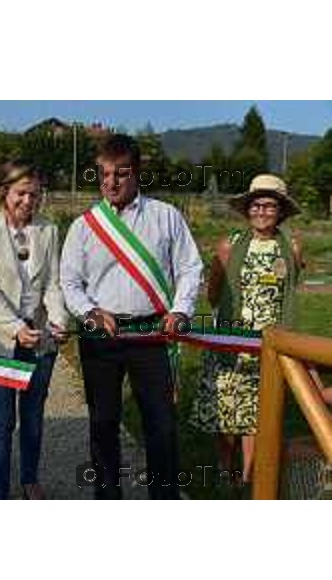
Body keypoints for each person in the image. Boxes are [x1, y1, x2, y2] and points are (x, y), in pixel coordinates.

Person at [60, 134, 203, 500]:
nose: (111, 182)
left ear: (137, 172)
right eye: (104, 174)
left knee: (161, 426)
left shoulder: (165, 216)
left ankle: (164, 498)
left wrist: (181, 309)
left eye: (121, 173)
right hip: (101, 336)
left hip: (152, 333)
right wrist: (89, 311)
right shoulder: (84, 226)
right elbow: (69, 281)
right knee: (104, 424)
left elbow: (190, 267)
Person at [190, 174, 303, 486]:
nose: (262, 211)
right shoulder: (230, 246)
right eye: (257, 205)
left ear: (280, 211)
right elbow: (213, 292)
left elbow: (291, 289)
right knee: (226, 411)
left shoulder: (291, 248)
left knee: (256, 414)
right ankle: (227, 471)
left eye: (270, 205)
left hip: (270, 344)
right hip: (230, 342)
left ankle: (249, 475)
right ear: (247, 209)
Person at [0, 160, 69, 499]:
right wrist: (14, 328)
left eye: (36, 195)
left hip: (40, 338)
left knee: (33, 414)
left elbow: (54, 284)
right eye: (21, 194)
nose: (29, 201)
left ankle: (29, 478)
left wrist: (58, 319)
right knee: (1, 420)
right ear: (3, 193)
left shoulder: (49, 230)